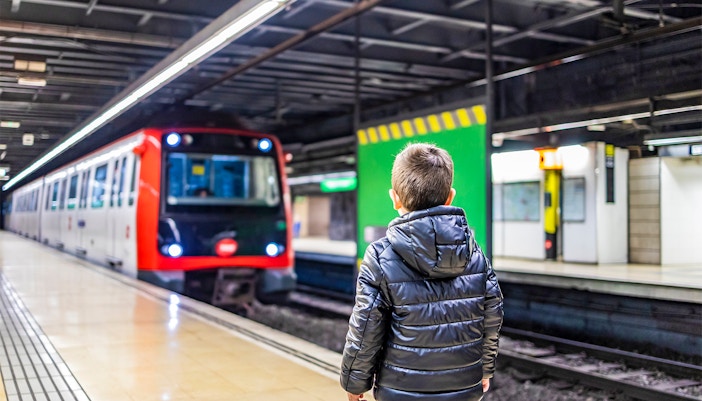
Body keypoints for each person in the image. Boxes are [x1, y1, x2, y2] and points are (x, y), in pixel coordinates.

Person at [340, 143, 504, 401]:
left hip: (400, 391)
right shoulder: (475, 254)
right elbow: (492, 317)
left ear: (394, 198)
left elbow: (366, 327)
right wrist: (485, 369)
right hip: (464, 388)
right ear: (450, 196)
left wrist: (355, 382)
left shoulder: (380, 256)